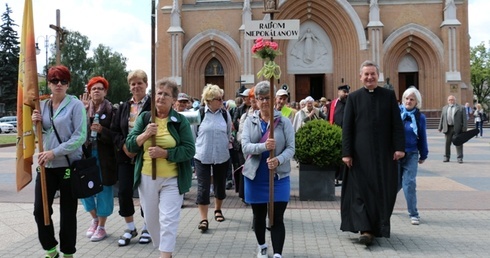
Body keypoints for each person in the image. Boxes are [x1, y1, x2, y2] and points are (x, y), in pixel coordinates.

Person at [126, 79, 195, 258]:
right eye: (159, 93)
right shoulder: (145, 117)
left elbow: (189, 150)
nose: (161, 97)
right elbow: (130, 145)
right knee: (151, 221)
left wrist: (165, 153)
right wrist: (146, 134)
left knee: (168, 220)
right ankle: (164, 249)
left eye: (166, 94)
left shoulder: (179, 121)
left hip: (172, 179)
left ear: (173, 100)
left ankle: (165, 254)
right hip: (147, 177)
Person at [341, 60, 405, 245]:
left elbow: (397, 125)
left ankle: (379, 227)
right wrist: (347, 153)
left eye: (373, 74)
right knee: (361, 192)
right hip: (360, 156)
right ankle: (365, 229)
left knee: (383, 191)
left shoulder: (388, 95)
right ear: (360, 77)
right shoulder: (353, 98)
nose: (369, 77)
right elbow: (347, 128)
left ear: (378, 76)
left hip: (384, 155)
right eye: (366, 74)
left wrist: (399, 148)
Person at [31, 65, 87, 258]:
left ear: (68, 84)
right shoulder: (43, 105)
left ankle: (68, 252)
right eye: (54, 81)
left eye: (63, 81)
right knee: (40, 210)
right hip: (46, 165)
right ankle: (50, 249)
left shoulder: (75, 105)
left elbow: (79, 137)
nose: (59, 84)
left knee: (67, 212)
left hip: (68, 165)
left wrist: (55, 152)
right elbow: (43, 132)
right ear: (49, 83)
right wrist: (35, 121)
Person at [241, 80, 295, 258]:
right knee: (259, 215)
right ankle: (262, 246)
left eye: (268, 98)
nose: (264, 102)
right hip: (255, 176)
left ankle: (278, 253)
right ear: (255, 100)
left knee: (277, 216)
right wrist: (264, 146)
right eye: (260, 98)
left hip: (278, 177)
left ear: (274, 99)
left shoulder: (284, 122)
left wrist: (278, 160)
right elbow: (245, 146)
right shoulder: (249, 121)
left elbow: (291, 148)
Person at [111, 69, 152, 246]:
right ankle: (130, 227)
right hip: (126, 156)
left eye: (139, 83)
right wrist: (124, 146)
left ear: (146, 85)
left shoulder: (153, 106)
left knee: (146, 193)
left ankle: (148, 227)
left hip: (146, 156)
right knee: (124, 192)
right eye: (133, 84)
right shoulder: (123, 107)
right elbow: (114, 131)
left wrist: (139, 146)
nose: (136, 87)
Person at [79, 76, 117, 242]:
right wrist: (83, 113)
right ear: (89, 91)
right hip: (86, 156)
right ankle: (94, 219)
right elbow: (77, 132)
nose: (96, 91)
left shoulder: (111, 110)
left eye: (100, 88)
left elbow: (117, 136)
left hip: (104, 157)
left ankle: (101, 226)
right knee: (84, 189)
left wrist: (102, 130)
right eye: (93, 88)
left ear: (105, 91)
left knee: (103, 190)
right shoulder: (82, 109)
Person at [194, 84, 232, 232]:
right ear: (209, 100)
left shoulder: (224, 114)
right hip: (202, 155)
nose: (221, 101)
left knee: (220, 185)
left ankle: (218, 209)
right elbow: (193, 134)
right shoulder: (200, 113)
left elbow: (228, 132)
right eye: (218, 99)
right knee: (203, 188)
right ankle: (204, 219)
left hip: (221, 155)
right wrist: (198, 148)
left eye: (222, 98)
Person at [398, 87, 428, 226]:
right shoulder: (396, 113)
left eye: (412, 99)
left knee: (409, 184)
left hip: (412, 154)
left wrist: (424, 153)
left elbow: (422, 136)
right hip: (395, 155)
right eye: (406, 98)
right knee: (394, 184)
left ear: (417, 102)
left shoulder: (420, 117)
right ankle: (385, 208)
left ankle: (413, 214)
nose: (408, 101)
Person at [329, 84, 350, 185]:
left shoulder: (350, 102)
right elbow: (329, 117)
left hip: (347, 134)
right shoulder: (334, 103)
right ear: (339, 92)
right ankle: (336, 177)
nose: (345, 94)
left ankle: (343, 177)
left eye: (346, 92)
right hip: (335, 133)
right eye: (343, 92)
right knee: (336, 156)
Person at [438, 95, 467, 163]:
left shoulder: (461, 108)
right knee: (447, 143)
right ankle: (446, 157)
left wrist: (464, 128)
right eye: (450, 100)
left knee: (458, 143)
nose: (451, 101)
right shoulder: (444, 108)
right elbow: (442, 118)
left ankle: (459, 158)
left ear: (455, 100)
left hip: (457, 128)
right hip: (448, 128)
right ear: (448, 101)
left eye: (452, 99)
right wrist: (440, 127)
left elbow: (464, 119)